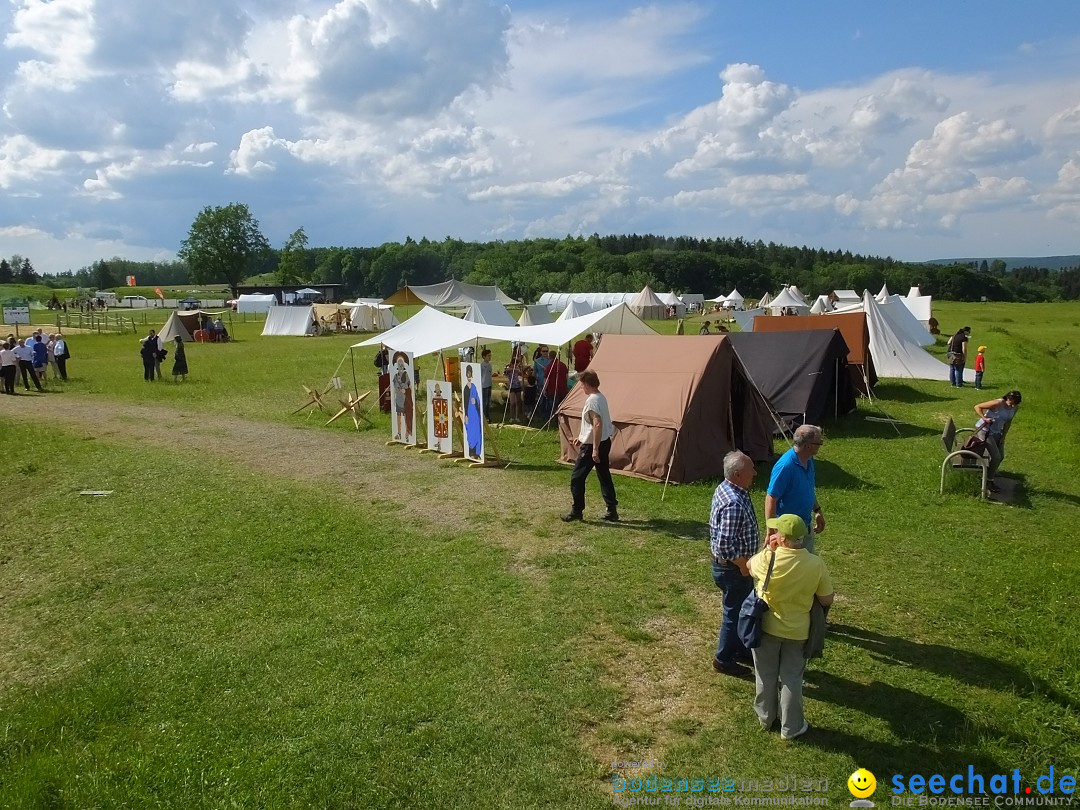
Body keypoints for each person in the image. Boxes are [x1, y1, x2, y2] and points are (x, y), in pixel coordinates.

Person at [749, 514, 833, 740]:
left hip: (766, 628)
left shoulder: (768, 559)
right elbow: (826, 599)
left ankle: (766, 718)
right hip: (798, 632)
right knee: (792, 678)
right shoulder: (815, 564)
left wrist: (768, 549)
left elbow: (749, 566)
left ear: (783, 539)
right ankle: (791, 727)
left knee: (765, 674)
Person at [710, 451, 760, 678]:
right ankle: (723, 659)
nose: (755, 473)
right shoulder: (733, 503)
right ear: (738, 474)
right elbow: (724, 545)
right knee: (734, 613)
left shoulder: (728, 488)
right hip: (732, 568)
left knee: (739, 609)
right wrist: (742, 565)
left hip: (731, 566)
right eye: (751, 469)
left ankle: (740, 649)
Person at [562, 370, 618, 522]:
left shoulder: (592, 400)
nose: (581, 387)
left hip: (595, 445)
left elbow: (597, 423)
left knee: (577, 478)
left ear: (587, 384)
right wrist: (582, 437)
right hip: (604, 441)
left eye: (582, 384)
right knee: (604, 475)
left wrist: (594, 449)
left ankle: (577, 511)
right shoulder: (601, 397)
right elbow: (594, 425)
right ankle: (612, 509)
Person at [765, 425, 826, 554]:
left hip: (805, 527)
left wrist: (817, 510)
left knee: (808, 570)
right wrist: (771, 532)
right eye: (819, 442)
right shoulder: (785, 466)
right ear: (808, 446)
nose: (821, 445)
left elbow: (807, 488)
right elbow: (771, 498)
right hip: (789, 533)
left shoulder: (808, 460)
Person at [975, 390, 1022, 493]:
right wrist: (984, 418)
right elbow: (977, 406)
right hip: (985, 431)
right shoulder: (998, 403)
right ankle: (988, 480)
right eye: (1010, 400)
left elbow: (1008, 422)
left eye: (1014, 402)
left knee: (1001, 456)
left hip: (997, 432)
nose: (1011, 403)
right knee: (996, 457)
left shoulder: (1014, 408)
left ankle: (988, 476)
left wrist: (1003, 436)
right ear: (1007, 398)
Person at [463, 364, 483, 460]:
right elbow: (465, 402)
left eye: (470, 373)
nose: (469, 375)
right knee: (471, 433)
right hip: (469, 413)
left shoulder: (474, 386)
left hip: (475, 412)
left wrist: (476, 402)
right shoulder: (466, 389)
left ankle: (477, 452)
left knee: (477, 432)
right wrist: (466, 414)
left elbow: (477, 398)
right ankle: (471, 452)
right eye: (468, 373)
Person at [540, 352, 568, 419]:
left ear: (549, 357)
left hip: (552, 390)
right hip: (562, 389)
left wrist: (544, 390)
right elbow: (567, 377)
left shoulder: (549, 366)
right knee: (561, 406)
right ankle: (561, 419)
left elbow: (546, 379)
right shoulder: (563, 365)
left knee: (553, 406)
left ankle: (554, 419)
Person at [504, 348, 524, 423]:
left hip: (518, 386)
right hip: (512, 387)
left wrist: (519, 369)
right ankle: (512, 417)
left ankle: (517, 417)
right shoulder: (509, 369)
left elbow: (521, 373)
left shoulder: (518, 369)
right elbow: (506, 371)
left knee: (518, 402)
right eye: (513, 364)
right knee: (512, 403)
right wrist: (511, 368)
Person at [480, 348, 493, 420]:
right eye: (488, 356)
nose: (490, 357)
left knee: (488, 402)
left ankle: (488, 416)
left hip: (489, 384)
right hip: (484, 385)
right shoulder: (482, 365)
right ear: (484, 357)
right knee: (484, 402)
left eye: (490, 356)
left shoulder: (489, 364)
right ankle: (484, 416)